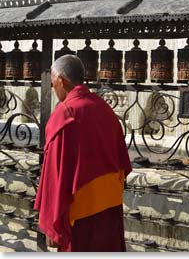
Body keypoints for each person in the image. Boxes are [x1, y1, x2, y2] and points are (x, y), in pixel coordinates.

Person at [34, 54, 132, 252]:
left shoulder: (65, 113)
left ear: (61, 80)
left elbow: (55, 173)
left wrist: (53, 226)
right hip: (109, 206)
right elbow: (122, 160)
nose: (54, 90)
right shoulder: (104, 108)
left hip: (78, 213)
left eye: (53, 85)